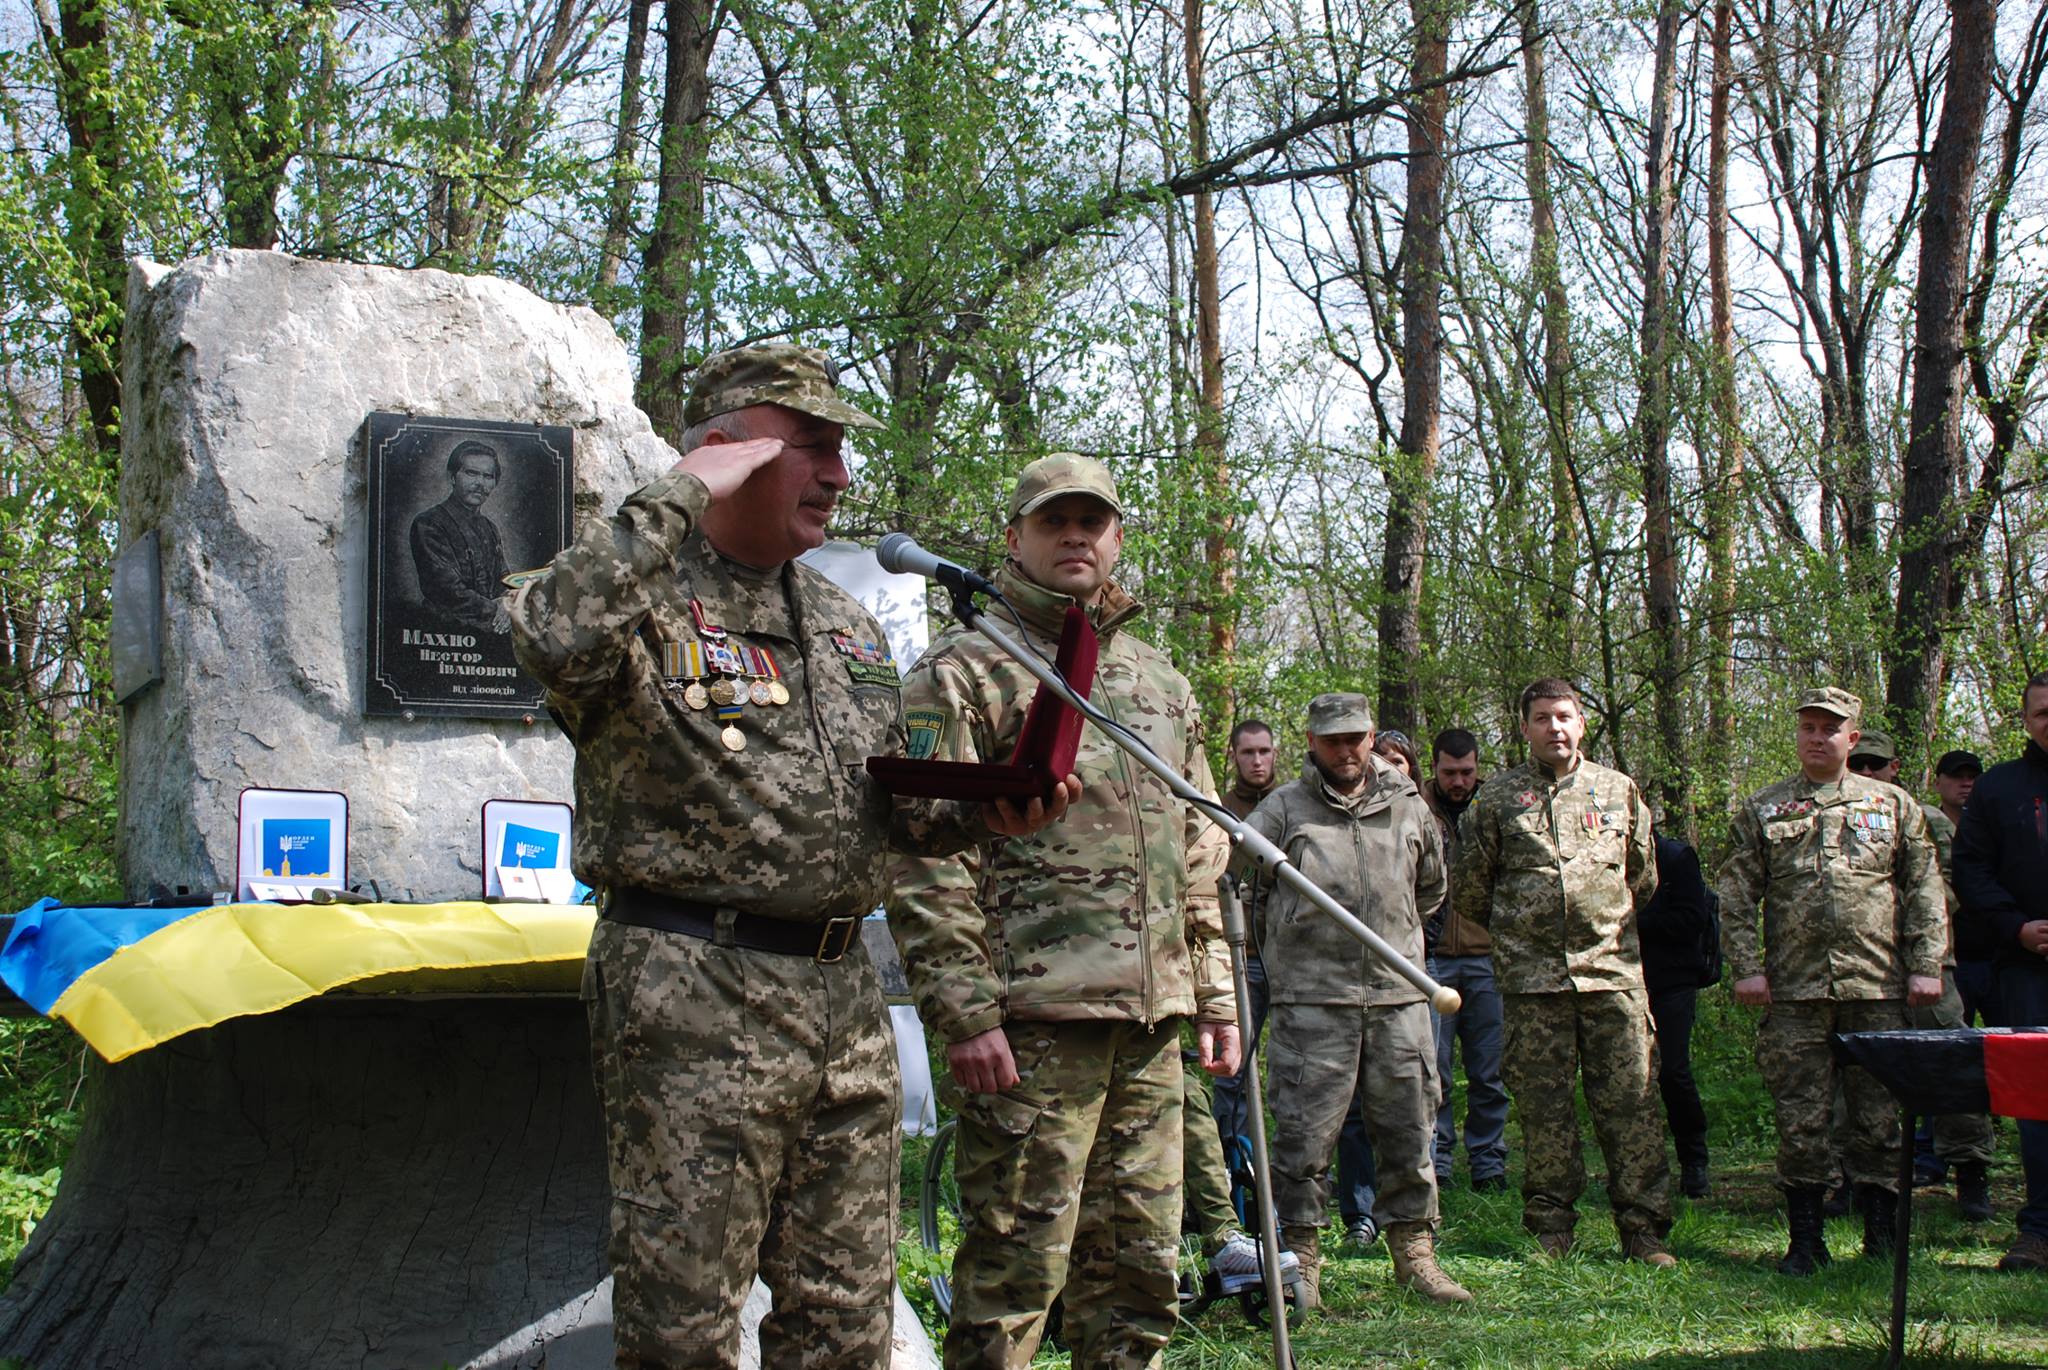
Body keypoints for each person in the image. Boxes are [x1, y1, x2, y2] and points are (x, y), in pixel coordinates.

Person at [508, 344, 1070, 1368]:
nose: (839, 476)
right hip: (695, 987)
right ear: (730, 452)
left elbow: (882, 814)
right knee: (682, 1326)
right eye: (811, 447)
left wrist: (988, 813)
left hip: (839, 996)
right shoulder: (640, 595)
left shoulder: (843, 618)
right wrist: (677, 492)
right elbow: (549, 639)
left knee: (844, 1322)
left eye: (841, 451)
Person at [887, 451, 1241, 1366]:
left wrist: (1214, 994)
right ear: (1015, 538)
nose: (1075, 537)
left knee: (1138, 1280)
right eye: (1054, 521)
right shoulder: (967, 669)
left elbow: (1200, 851)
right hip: (1032, 1027)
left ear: (1118, 539)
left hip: (1151, 1028)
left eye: (1093, 521)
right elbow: (921, 851)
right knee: (1014, 1278)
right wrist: (965, 1012)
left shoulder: (1159, 681)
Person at [1244, 693, 1471, 1306]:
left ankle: (1415, 1254)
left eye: (1355, 738)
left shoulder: (1409, 806)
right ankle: (1300, 1260)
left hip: (1401, 998)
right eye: (1332, 740)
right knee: (1302, 1137)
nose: (1345, 750)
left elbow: (1430, 891)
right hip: (1312, 1003)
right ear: (1311, 742)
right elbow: (1246, 893)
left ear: (1372, 737)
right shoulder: (1282, 809)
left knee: (1409, 1128)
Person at [1718, 686, 1945, 1276]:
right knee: (1801, 1119)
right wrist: (1747, 968)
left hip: (1877, 987)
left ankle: (1881, 1237)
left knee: (1878, 1117)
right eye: (1808, 728)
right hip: (1796, 992)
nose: (1817, 738)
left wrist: (1926, 965)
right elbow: (1736, 895)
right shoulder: (1764, 808)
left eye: (1830, 729)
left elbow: (1924, 888)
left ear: (1852, 737)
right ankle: (1806, 1240)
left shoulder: (1893, 805)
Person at [1452, 677, 1675, 1265]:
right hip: (1533, 984)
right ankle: (1551, 1227)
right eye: (1542, 718)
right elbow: (1471, 889)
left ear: (1582, 723)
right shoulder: (1497, 800)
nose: (1554, 727)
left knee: (1631, 1103)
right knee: (1544, 1108)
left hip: (1613, 976)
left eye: (1564, 716)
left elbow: (1642, 877)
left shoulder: (1619, 791)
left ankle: (1644, 1230)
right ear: (1525, 727)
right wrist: (1528, 932)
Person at [1953, 671, 2048, 1274]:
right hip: (2027, 966)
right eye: (2043, 713)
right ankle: (2040, 1230)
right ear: (2026, 721)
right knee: (2040, 1102)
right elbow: (1971, 870)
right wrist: (2018, 927)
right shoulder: (1999, 788)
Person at [1906, 748, 1997, 1220]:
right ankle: (1861, 1181)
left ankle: (1971, 1170)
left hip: (1938, 961)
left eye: (1876, 765)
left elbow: (1949, 891)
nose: (1867, 773)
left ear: (1893, 768)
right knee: (1859, 1074)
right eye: (1860, 765)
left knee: (1954, 1060)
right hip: (1866, 968)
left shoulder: (1925, 821)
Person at [1421, 727, 1508, 1192]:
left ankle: (1489, 1161)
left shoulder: (1495, 806)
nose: (1458, 782)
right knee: (1435, 1071)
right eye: (1450, 773)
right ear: (1434, 767)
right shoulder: (1415, 807)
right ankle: (1437, 1161)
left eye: (1467, 772)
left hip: (1485, 957)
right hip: (1432, 958)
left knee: (1488, 1070)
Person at [1637, 828, 1715, 1198]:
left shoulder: (1674, 856)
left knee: (1672, 1072)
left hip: (1672, 981)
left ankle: (1693, 1159)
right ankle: (1641, 1167)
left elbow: (1692, 919)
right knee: (1628, 1079)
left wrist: (1627, 922)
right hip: (1622, 980)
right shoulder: (1601, 857)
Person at [1212, 719, 1278, 1154]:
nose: (1257, 761)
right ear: (1234, 755)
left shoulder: (1296, 805)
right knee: (1233, 1067)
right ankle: (1236, 1166)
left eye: (1264, 751)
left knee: (1303, 1067)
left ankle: (1296, 1170)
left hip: (1291, 957)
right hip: (1239, 956)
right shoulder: (1216, 809)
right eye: (1248, 752)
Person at [412, 438, 512, 632]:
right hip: (442, 632)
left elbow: (504, 579)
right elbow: (446, 591)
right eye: (471, 473)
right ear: (453, 477)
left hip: (490, 632)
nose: (480, 483)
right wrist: (497, 610)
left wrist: (510, 603)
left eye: (488, 476)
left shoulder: (490, 528)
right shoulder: (429, 523)